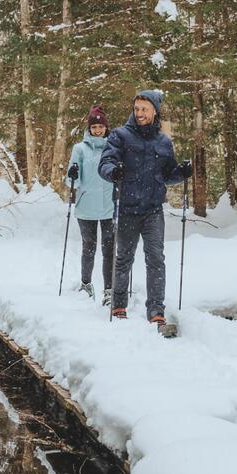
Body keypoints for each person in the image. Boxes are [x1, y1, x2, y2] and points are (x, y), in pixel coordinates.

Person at [98, 89, 192, 327]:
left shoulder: (163, 141)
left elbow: (167, 175)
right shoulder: (120, 135)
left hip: (153, 210)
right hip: (128, 208)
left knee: (156, 259)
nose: (139, 113)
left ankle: (156, 311)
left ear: (154, 111)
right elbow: (105, 162)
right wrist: (113, 172)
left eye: (144, 109)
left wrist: (182, 172)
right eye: (137, 108)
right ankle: (119, 306)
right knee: (124, 259)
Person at [66, 105, 116, 305]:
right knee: (89, 247)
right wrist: (72, 175)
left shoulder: (114, 147)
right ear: (89, 128)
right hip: (85, 206)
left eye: (100, 127)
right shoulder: (79, 149)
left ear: (106, 128)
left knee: (109, 249)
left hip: (109, 206)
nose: (97, 130)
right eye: (94, 127)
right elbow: (71, 182)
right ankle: (86, 284)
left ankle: (109, 290)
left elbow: (119, 173)